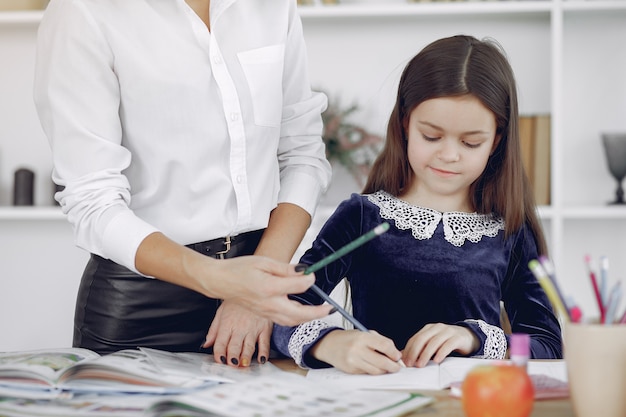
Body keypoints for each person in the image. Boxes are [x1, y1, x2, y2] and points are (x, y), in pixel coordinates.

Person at [33, 0, 333, 366]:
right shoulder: (83, 11)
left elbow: (303, 154)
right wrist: (223, 280)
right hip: (144, 308)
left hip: (257, 297)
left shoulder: (272, 6)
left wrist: (254, 287)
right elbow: (93, 202)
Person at [272, 35, 563, 375]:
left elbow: (547, 345)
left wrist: (474, 339)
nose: (449, 155)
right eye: (432, 136)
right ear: (406, 124)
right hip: (375, 402)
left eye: (471, 143)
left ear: (496, 140)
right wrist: (330, 343)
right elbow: (280, 313)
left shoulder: (511, 228)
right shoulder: (362, 217)